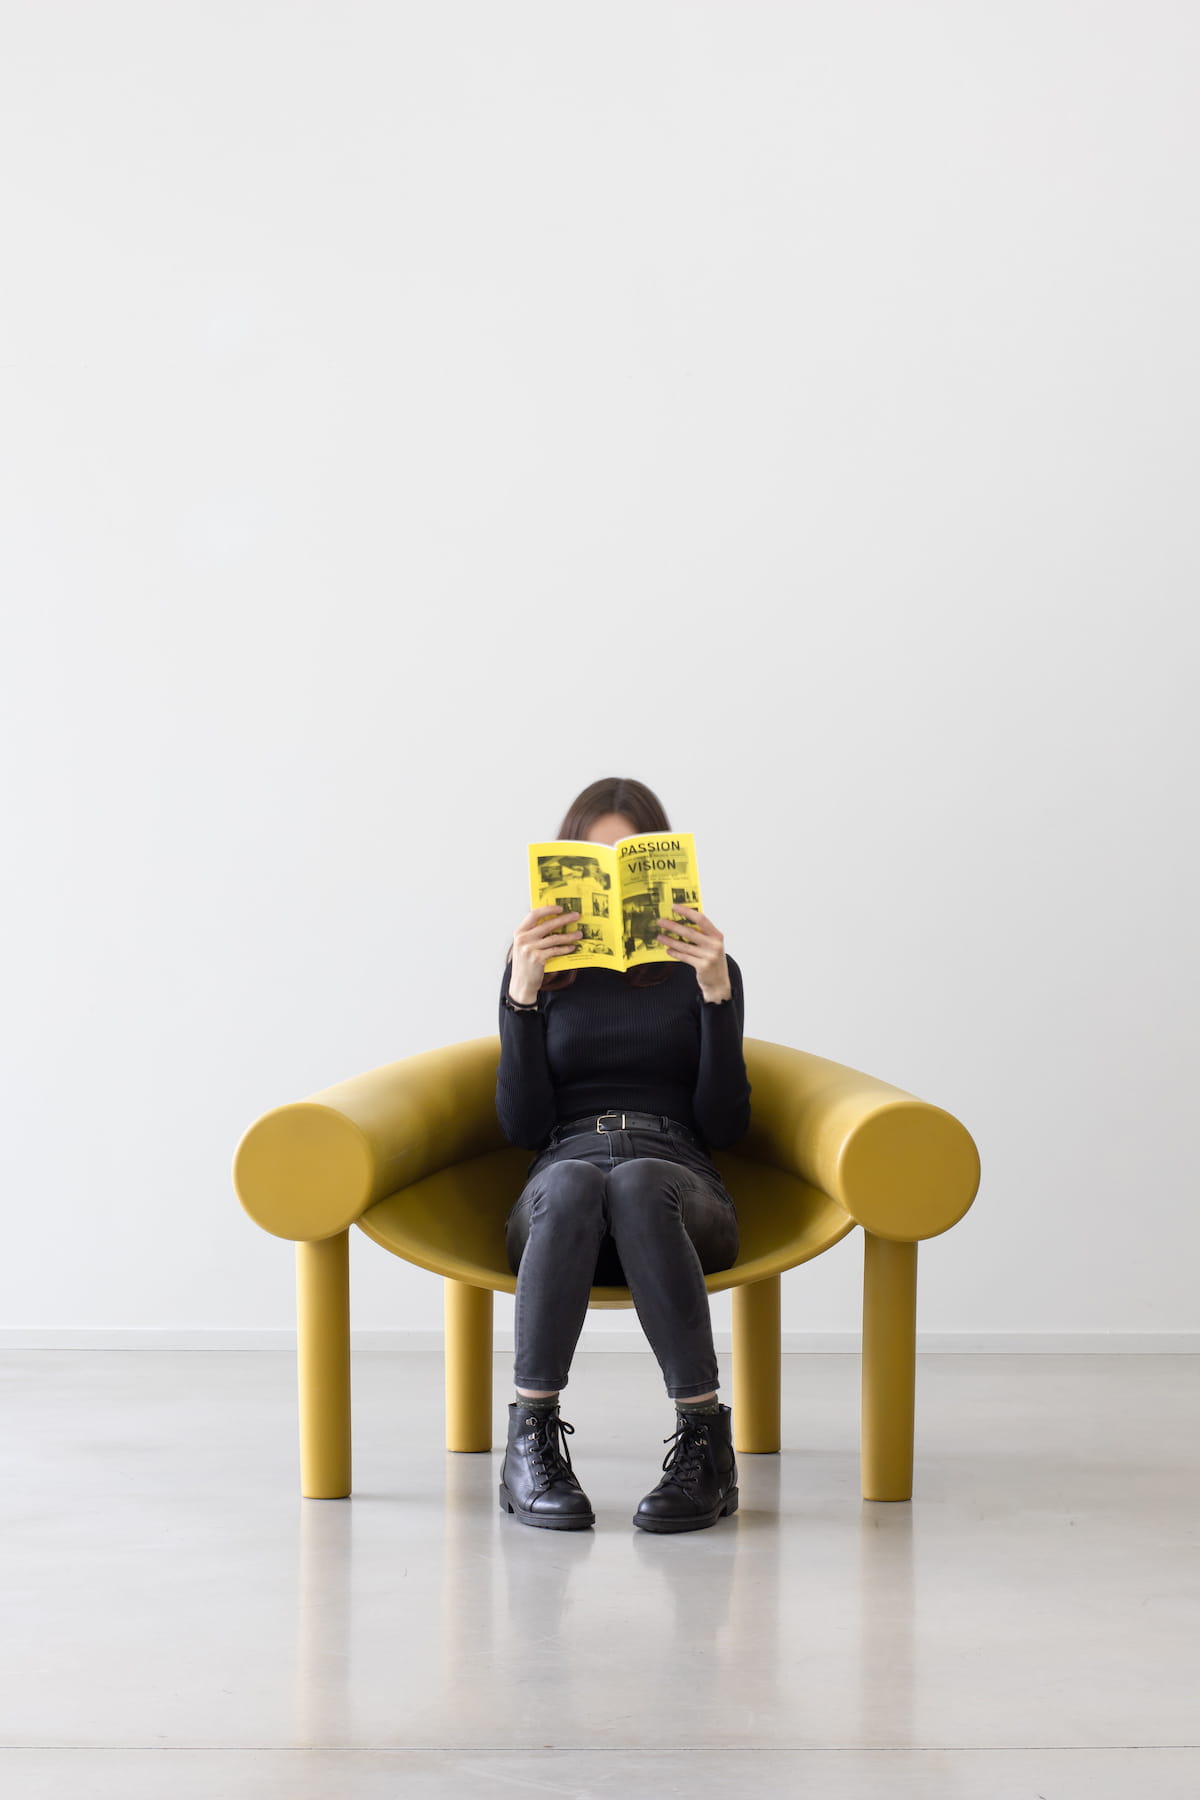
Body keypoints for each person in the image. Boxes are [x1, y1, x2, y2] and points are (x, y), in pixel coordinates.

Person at [496, 776, 752, 1534]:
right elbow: (522, 1125)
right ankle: (531, 1445)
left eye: (627, 860)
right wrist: (521, 997)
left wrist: (715, 993)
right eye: (593, 861)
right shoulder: (538, 973)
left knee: (639, 1181)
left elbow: (726, 1123)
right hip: (562, 1201)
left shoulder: (703, 969)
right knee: (574, 1181)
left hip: (676, 1194)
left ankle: (705, 1445)